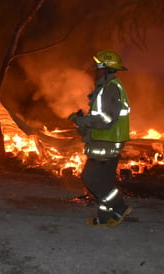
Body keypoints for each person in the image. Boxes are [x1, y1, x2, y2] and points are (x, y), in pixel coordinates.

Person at [68, 50, 131, 227]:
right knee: (105, 182)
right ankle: (105, 218)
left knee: (90, 178)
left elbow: (106, 119)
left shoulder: (110, 89)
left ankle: (119, 207)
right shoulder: (106, 87)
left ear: (105, 68)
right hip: (106, 143)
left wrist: (82, 120)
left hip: (106, 145)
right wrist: (83, 122)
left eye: (97, 66)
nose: (94, 70)